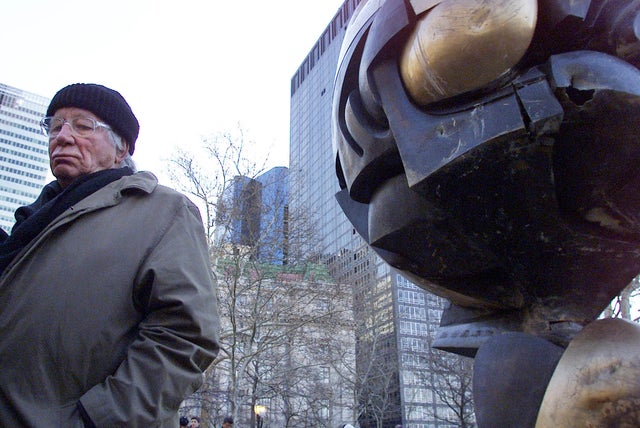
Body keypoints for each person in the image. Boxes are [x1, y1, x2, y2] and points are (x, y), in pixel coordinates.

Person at [0, 83, 220, 427]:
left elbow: (186, 336)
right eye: (55, 126)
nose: (63, 136)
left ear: (122, 149)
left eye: (83, 126)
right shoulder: (31, 223)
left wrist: (96, 420)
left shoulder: (164, 212)